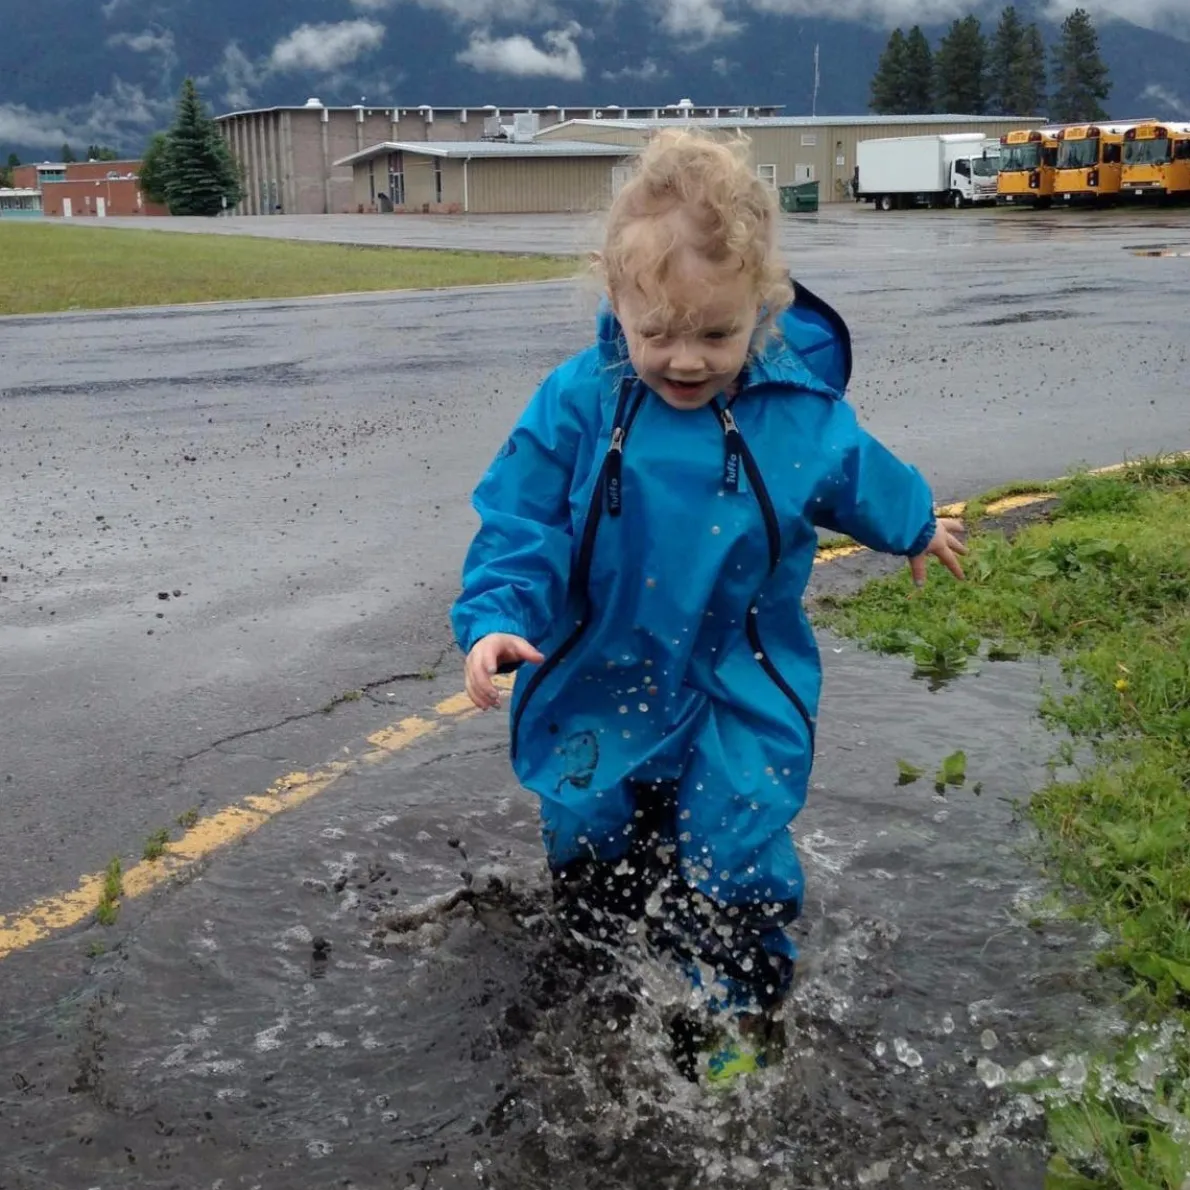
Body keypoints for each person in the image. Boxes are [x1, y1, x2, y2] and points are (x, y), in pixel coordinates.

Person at [451, 128, 965, 1083]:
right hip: (604, 670)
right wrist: (493, 617)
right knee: (591, 829)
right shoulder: (577, 403)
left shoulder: (799, 413)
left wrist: (917, 524)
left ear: (762, 306)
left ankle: (742, 1015)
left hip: (740, 677)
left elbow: (860, 473)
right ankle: (607, 971)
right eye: (659, 334)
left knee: (734, 843)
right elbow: (519, 520)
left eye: (716, 335)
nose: (686, 360)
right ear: (616, 300)